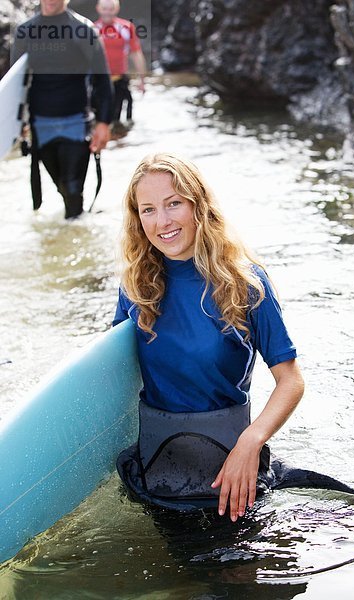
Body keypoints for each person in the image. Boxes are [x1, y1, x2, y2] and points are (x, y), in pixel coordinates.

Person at [112, 153, 305, 522]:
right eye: (148, 210)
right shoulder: (135, 287)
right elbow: (114, 379)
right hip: (158, 474)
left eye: (173, 204)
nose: (162, 221)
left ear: (197, 205)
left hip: (234, 474)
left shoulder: (245, 284)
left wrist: (251, 442)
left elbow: (291, 380)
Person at [11, 0, 113, 219]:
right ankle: (73, 227)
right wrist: (16, 124)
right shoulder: (25, 31)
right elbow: (15, 83)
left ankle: (77, 238)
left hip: (76, 123)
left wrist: (104, 123)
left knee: (73, 188)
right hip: (42, 125)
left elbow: (102, 79)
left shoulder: (83, 30)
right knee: (63, 187)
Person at [94, 0, 146, 132]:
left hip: (119, 79)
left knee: (120, 119)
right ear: (98, 9)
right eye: (104, 9)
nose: (107, 12)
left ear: (116, 9)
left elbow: (136, 54)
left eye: (110, 9)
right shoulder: (92, 29)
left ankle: (120, 141)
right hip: (98, 82)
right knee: (99, 119)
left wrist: (142, 80)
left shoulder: (126, 27)